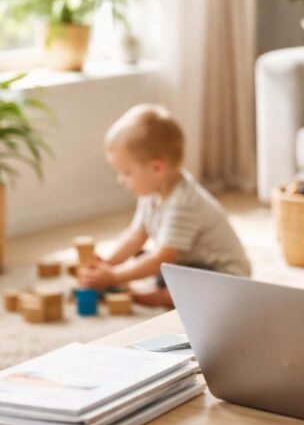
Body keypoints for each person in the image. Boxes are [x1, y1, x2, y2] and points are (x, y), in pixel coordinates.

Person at [79, 104, 251, 307]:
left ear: (157, 168)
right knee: (150, 261)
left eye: (126, 173)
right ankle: (168, 289)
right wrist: (108, 264)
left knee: (158, 264)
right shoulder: (152, 193)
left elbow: (163, 257)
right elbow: (136, 236)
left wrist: (114, 277)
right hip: (187, 263)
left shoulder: (183, 204)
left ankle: (162, 297)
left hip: (226, 278)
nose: (121, 180)